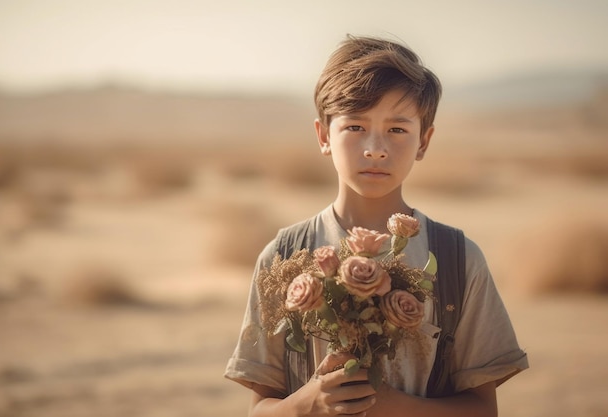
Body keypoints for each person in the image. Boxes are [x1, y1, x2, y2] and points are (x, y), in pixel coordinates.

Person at [224, 34, 528, 417]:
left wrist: (394, 406)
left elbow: (483, 409)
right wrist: (311, 401)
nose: (375, 148)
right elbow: (260, 409)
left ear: (423, 142)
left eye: (397, 129)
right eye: (355, 127)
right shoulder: (283, 257)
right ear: (323, 136)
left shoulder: (457, 259)